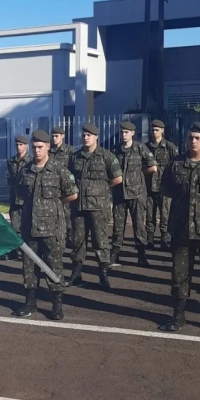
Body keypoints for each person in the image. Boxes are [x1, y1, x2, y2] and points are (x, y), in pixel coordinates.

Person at [159, 122, 200, 335]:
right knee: (179, 275)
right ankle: (178, 316)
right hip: (181, 230)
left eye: (197, 138)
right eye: (190, 137)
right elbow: (166, 189)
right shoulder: (176, 164)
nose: (193, 141)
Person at [12, 130, 78, 319]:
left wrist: (53, 205)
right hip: (29, 227)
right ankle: (30, 303)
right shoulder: (25, 170)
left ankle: (57, 306)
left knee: (53, 266)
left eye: (40, 147)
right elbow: (20, 192)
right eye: (34, 148)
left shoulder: (59, 169)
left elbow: (72, 193)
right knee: (29, 267)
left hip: (51, 228)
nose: (37, 151)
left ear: (48, 146)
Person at [68, 124, 122, 289]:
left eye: (89, 135)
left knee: (100, 241)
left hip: (98, 206)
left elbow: (117, 178)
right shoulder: (75, 157)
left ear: (96, 137)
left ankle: (103, 275)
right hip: (78, 206)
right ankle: (76, 274)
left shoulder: (106, 156)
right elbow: (69, 177)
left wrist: (102, 189)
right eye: (84, 135)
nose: (86, 137)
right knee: (78, 241)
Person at [110, 121, 157, 268]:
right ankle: (115, 255)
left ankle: (141, 256)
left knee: (139, 225)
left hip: (137, 193)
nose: (124, 135)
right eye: (122, 132)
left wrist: (139, 175)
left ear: (132, 133)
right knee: (118, 226)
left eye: (126, 132)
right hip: (119, 194)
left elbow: (153, 167)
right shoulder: (116, 149)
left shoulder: (140, 148)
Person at [145, 119, 178, 251]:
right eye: (153, 130)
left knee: (165, 215)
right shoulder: (146, 147)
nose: (154, 132)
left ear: (162, 131)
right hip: (149, 187)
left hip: (164, 187)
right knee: (149, 215)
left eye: (157, 130)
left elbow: (175, 165)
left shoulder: (170, 147)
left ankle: (165, 239)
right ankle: (150, 239)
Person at [49, 126, 75, 247]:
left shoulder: (70, 151)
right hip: (52, 186)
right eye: (53, 136)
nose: (54, 138)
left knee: (68, 213)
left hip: (65, 186)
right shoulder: (49, 151)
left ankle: (70, 236)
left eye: (56, 136)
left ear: (62, 136)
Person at [5, 135, 30, 260]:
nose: (19, 147)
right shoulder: (11, 162)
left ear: (26, 146)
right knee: (15, 227)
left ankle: (28, 253)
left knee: (27, 227)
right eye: (17, 145)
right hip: (15, 198)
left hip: (27, 200)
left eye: (21, 145)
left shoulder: (31, 161)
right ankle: (14, 251)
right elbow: (10, 179)